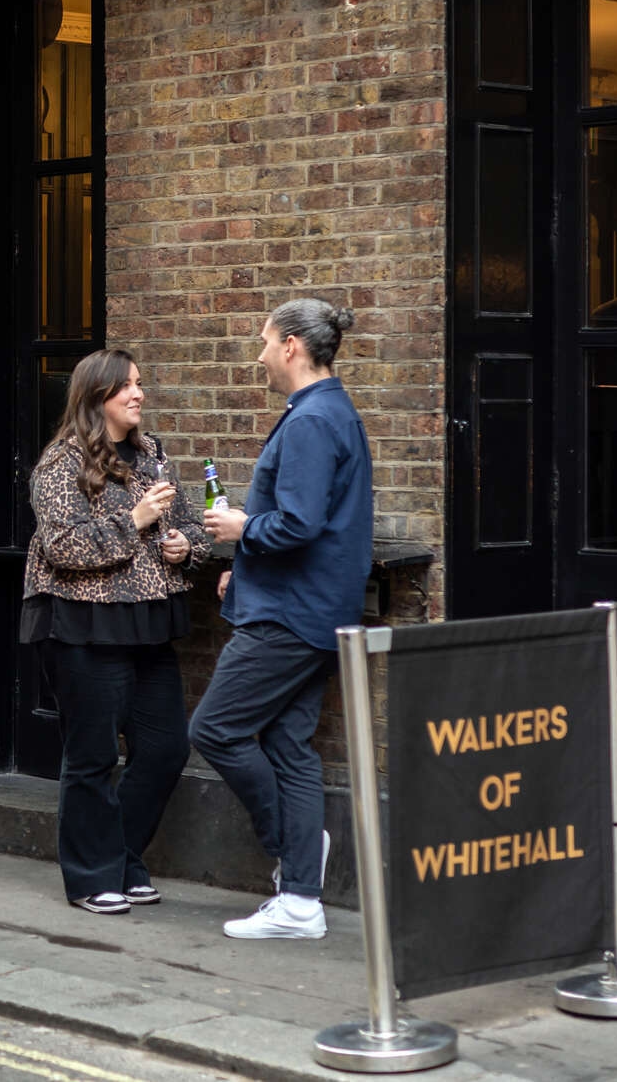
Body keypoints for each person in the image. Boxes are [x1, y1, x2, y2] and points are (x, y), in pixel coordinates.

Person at [193, 300, 372, 938]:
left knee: (214, 729)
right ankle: (301, 902)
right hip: (311, 608)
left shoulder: (312, 422)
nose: (260, 354)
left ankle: (296, 849)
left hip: (288, 618)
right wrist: (246, 561)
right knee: (289, 747)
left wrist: (243, 528)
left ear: (292, 345)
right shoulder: (328, 412)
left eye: (265, 340)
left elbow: (298, 522)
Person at [23, 349, 208, 915]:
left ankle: (123, 855)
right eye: (126, 387)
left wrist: (184, 547)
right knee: (93, 755)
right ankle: (90, 876)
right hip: (83, 624)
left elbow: (191, 527)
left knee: (165, 748)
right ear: (95, 396)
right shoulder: (60, 463)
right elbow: (64, 547)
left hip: (149, 622)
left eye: (140, 384)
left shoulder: (153, 454)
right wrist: (136, 522)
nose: (139, 395)